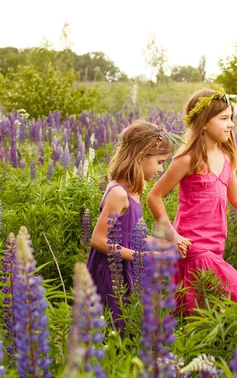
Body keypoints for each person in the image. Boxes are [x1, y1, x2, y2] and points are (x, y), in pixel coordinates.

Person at [147, 89, 237, 314]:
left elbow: (236, 198)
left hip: (216, 248)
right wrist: (172, 235)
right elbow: (154, 196)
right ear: (204, 123)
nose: (231, 125)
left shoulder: (225, 158)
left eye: (231, 118)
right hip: (193, 247)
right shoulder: (187, 159)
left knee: (201, 316)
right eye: (224, 119)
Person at [87, 120, 187, 325]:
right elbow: (98, 239)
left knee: (132, 323)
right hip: (111, 273)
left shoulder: (135, 191)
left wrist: (167, 245)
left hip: (129, 267)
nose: (161, 169)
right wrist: (141, 256)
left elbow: (135, 236)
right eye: (159, 162)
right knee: (114, 326)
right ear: (141, 157)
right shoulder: (118, 193)